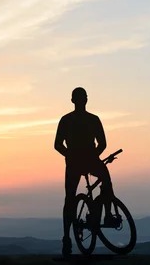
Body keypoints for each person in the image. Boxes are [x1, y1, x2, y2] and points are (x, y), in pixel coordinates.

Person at [54, 87, 117, 256]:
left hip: (77, 162)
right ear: (80, 100)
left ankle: (68, 238)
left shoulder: (69, 120)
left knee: (71, 198)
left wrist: (72, 155)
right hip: (82, 162)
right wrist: (91, 157)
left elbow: (58, 145)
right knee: (103, 181)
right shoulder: (88, 120)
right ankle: (107, 215)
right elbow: (102, 144)